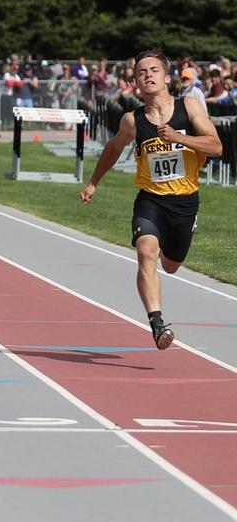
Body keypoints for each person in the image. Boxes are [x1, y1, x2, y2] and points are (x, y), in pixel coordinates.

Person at [80, 49, 221, 349]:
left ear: (167, 77)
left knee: (170, 266)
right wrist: (93, 182)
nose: (148, 75)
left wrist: (179, 137)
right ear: (136, 82)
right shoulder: (133, 120)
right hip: (150, 199)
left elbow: (216, 146)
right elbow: (113, 149)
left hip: (185, 201)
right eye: (141, 72)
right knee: (146, 252)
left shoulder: (190, 107)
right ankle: (157, 324)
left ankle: (167, 253)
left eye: (154, 70)